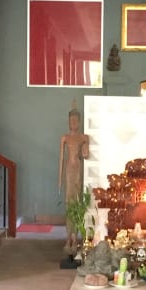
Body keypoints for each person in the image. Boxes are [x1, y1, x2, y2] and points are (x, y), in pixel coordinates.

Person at [59, 100, 90, 252]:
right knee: (68, 203)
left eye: (76, 120)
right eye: (71, 120)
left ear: (80, 122)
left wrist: (85, 149)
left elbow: (86, 154)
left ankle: (75, 237)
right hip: (68, 172)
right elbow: (61, 159)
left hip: (78, 172)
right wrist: (59, 179)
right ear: (68, 121)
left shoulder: (83, 137)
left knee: (77, 203)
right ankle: (68, 237)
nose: (73, 123)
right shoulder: (65, 137)